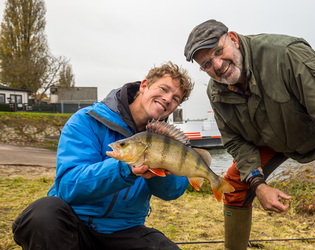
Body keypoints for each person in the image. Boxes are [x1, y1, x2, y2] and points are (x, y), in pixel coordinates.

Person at [184, 20, 315, 250]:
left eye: (219, 52)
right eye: (208, 63)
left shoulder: (286, 54)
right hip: (272, 139)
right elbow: (235, 141)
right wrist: (259, 185)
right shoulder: (216, 90)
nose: (218, 65)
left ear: (233, 38)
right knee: (233, 189)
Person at [12, 61, 194, 249]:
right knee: (44, 213)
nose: (167, 99)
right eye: (163, 89)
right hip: (74, 223)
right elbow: (67, 186)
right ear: (144, 85)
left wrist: (158, 172)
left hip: (125, 229)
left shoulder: (167, 140)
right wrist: (125, 169)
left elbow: (173, 191)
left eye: (175, 99)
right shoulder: (86, 120)